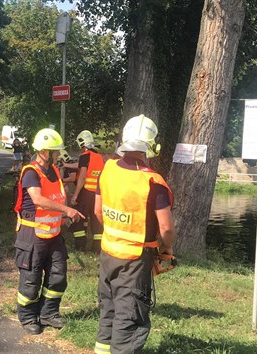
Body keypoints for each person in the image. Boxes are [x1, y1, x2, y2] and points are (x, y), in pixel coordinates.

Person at [94, 115, 176, 354]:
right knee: (129, 319)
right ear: (152, 146)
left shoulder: (107, 169)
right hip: (135, 260)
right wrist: (166, 248)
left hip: (108, 252)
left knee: (108, 308)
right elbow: (167, 228)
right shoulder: (153, 182)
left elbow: (98, 211)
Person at [13, 128, 85, 335]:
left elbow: (55, 196)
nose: (57, 155)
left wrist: (65, 214)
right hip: (32, 235)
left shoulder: (53, 170)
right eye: (54, 151)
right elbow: (38, 199)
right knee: (31, 278)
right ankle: (27, 318)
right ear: (44, 152)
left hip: (54, 235)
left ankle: (48, 313)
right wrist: (67, 210)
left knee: (58, 276)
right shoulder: (30, 172)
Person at [68, 130, 105, 252]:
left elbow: (82, 176)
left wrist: (75, 196)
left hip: (85, 193)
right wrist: (66, 165)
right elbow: (81, 165)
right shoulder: (99, 157)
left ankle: (80, 246)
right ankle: (97, 248)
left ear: (82, 143)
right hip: (98, 194)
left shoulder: (85, 155)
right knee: (96, 220)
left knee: (79, 218)